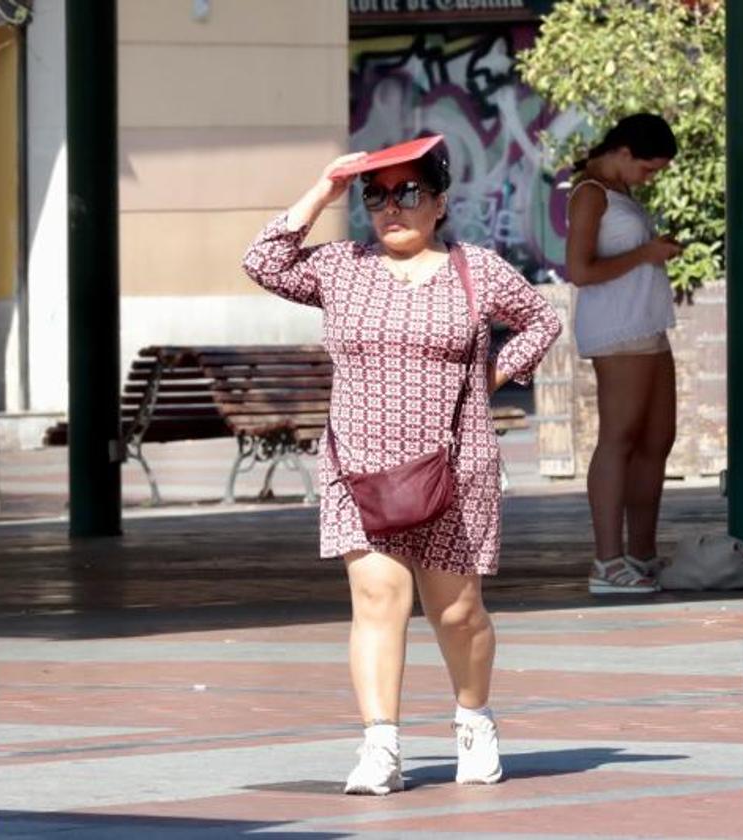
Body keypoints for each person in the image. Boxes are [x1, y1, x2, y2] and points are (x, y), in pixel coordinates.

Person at [242, 139, 561, 795]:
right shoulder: (340, 266)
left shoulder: (477, 270)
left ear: (440, 203)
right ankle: (379, 746)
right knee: (377, 601)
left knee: (457, 612)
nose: (392, 207)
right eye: (377, 195)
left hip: (454, 466)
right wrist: (323, 191)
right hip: (358, 466)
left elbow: (541, 319)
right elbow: (263, 261)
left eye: (409, 193)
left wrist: (496, 373)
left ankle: (474, 721)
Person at [564, 113, 681, 595]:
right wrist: (646, 254)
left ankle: (641, 554)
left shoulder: (620, 192)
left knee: (657, 440)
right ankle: (608, 561)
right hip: (617, 329)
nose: (649, 179)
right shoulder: (590, 193)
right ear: (624, 153)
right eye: (648, 169)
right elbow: (579, 270)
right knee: (619, 437)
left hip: (647, 323)